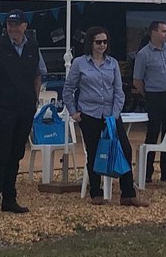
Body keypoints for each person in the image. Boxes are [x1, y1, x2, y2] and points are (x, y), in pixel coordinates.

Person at [63, 26, 147, 207]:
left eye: (105, 42)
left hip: (111, 114)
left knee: (125, 150)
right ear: (91, 44)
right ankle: (96, 191)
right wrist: (73, 112)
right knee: (94, 153)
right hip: (89, 114)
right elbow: (68, 89)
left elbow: (119, 91)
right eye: (98, 42)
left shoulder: (113, 63)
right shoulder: (80, 63)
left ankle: (127, 193)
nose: (102, 45)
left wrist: (114, 114)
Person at [0, 10, 46, 221]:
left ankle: (10, 197)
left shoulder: (33, 46)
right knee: (0, 154)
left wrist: (35, 99)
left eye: (17, 24)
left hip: (25, 108)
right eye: (10, 24)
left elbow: (39, 73)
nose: (13, 28)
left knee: (16, 153)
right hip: (4, 109)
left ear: (25, 26)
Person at [132, 19, 166, 184]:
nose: (165, 34)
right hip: (154, 96)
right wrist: (148, 94)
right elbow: (137, 80)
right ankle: (147, 171)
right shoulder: (143, 54)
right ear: (153, 32)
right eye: (163, 31)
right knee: (153, 133)